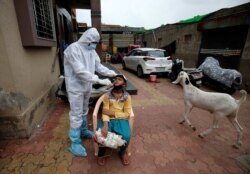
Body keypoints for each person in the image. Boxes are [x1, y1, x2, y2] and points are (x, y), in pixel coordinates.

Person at [64, 27, 117, 157]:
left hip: (87, 86)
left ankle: (83, 130)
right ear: (87, 40)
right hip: (75, 87)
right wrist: (99, 80)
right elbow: (80, 71)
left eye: (96, 42)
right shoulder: (73, 49)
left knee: (84, 110)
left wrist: (113, 74)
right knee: (76, 113)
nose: (94, 45)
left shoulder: (91, 51)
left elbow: (99, 67)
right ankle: (75, 142)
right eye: (93, 42)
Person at [96, 74, 132, 166]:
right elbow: (104, 112)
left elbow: (127, 113)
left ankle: (122, 153)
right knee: (101, 134)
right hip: (107, 119)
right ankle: (102, 153)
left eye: (119, 79)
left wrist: (113, 113)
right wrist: (105, 125)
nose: (116, 80)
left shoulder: (127, 97)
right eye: (115, 79)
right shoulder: (107, 95)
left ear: (124, 84)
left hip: (121, 120)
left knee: (126, 136)